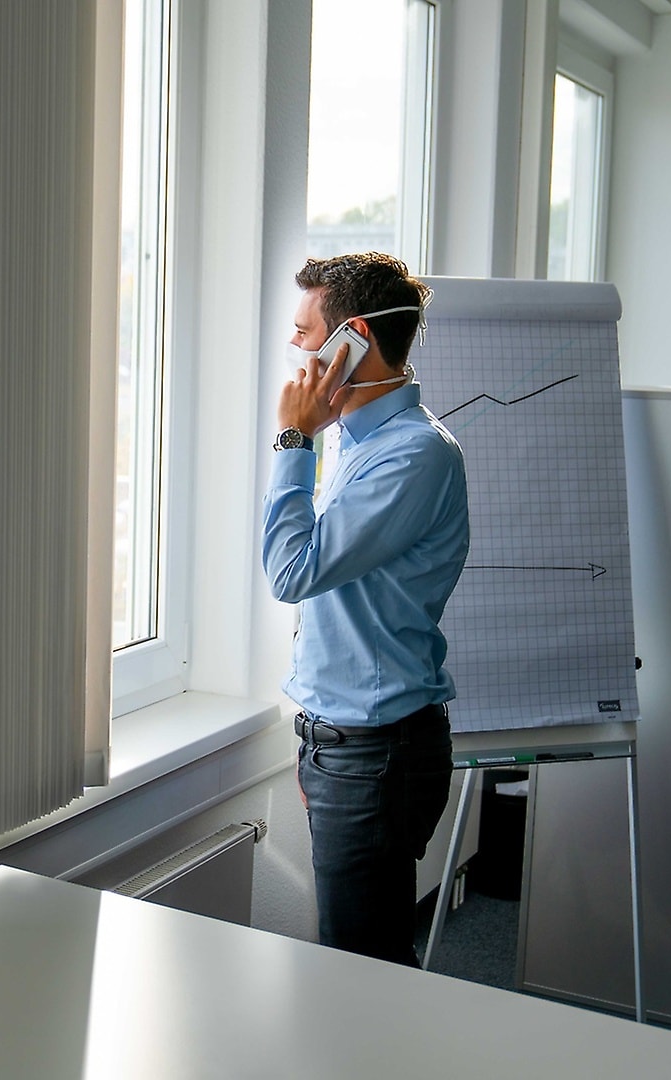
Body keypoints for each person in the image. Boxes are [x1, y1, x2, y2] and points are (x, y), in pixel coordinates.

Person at [261, 251, 469, 967]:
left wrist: (293, 439)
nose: (295, 348)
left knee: (360, 965)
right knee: (361, 953)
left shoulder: (412, 456)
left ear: (352, 338)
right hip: (347, 743)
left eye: (305, 333)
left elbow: (295, 572)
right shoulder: (358, 442)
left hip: (374, 753)